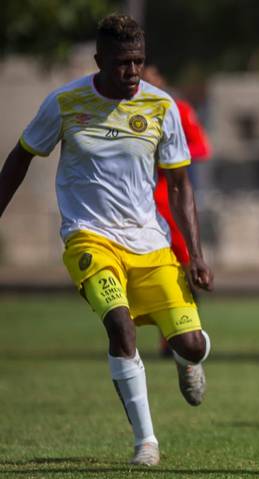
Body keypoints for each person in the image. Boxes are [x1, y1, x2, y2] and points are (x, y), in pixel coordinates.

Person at [0, 14, 213, 466]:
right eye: (121, 63)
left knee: (191, 343)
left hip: (149, 241)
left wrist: (195, 253)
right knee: (120, 325)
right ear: (99, 60)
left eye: (138, 62)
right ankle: (146, 443)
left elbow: (179, 185)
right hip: (89, 237)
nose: (132, 72)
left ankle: (187, 359)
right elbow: (20, 158)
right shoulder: (65, 102)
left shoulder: (162, 107)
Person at [142, 64, 212, 356]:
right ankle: (155, 341)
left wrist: (169, 156)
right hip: (138, 205)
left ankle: (182, 337)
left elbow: (202, 148)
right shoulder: (120, 112)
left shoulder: (176, 110)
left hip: (168, 199)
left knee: (184, 269)